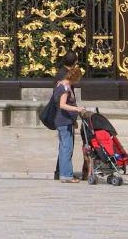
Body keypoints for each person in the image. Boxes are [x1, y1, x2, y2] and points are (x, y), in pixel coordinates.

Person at [52, 53, 88, 183]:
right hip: (63, 120)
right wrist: (77, 109)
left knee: (64, 147)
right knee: (67, 148)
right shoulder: (65, 87)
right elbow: (63, 105)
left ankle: (63, 173)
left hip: (65, 120)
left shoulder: (62, 84)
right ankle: (66, 175)